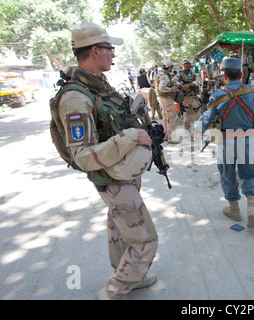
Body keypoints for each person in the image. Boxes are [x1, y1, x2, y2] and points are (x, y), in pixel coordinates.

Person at [56, 22, 158, 299]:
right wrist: (129, 137)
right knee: (145, 241)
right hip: (111, 180)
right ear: (94, 51)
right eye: (109, 49)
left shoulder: (98, 86)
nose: (113, 54)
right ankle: (115, 290)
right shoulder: (76, 97)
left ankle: (128, 276)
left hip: (120, 176)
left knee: (119, 227)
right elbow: (83, 156)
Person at [194, 57, 254, 228]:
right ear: (242, 75)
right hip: (247, 141)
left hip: (226, 142)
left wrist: (196, 130)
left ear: (224, 76)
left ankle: (234, 210)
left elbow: (205, 119)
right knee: (251, 173)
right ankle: (251, 206)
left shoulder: (218, 95)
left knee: (227, 174)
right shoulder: (253, 93)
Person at [173, 59, 202, 134]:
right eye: (184, 64)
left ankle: (197, 131)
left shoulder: (194, 73)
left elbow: (198, 81)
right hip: (185, 98)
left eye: (187, 64)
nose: (186, 66)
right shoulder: (180, 74)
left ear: (189, 65)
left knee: (198, 114)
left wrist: (191, 84)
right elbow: (173, 80)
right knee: (186, 116)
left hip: (192, 96)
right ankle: (187, 132)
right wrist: (181, 85)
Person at [156, 60, 180, 144]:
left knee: (166, 117)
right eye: (171, 67)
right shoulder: (165, 76)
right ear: (169, 67)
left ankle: (166, 135)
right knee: (172, 117)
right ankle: (172, 137)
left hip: (163, 98)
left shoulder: (161, 74)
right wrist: (171, 89)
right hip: (166, 98)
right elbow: (161, 87)